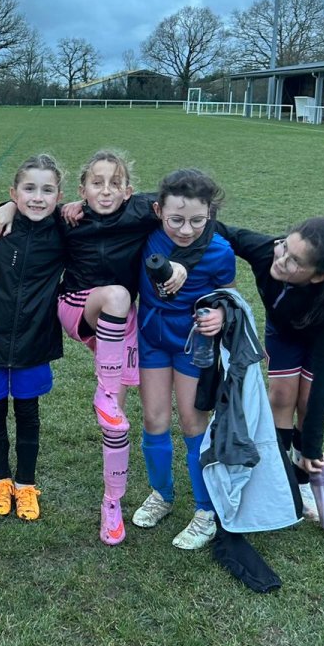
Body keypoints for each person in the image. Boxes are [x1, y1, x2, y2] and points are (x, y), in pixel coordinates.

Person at [0, 149, 156, 546]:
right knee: (116, 296)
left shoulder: (138, 214)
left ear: (128, 190)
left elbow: (184, 211)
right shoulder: (65, 222)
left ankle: (111, 505)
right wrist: (8, 207)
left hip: (122, 325)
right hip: (82, 308)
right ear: (81, 190)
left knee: (119, 426)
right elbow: (33, 205)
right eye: (96, 183)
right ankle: (102, 393)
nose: (106, 190)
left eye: (115, 183)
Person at [215, 217, 324, 520]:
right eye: (285, 246)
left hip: (322, 333)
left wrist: (313, 447)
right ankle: (279, 475)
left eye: (295, 261)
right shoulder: (266, 250)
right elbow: (216, 227)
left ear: (317, 276)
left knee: (307, 400)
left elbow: (323, 390)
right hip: (284, 327)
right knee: (281, 396)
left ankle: (302, 479)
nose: (281, 260)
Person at [130, 169, 235, 551]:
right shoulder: (147, 234)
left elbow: (229, 297)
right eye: (176, 219)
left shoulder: (220, 250)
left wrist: (221, 314)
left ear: (211, 213)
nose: (186, 230)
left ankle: (206, 511)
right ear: (158, 211)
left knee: (193, 424)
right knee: (154, 419)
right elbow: (117, 203)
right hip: (153, 339)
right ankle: (162, 494)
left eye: (196, 220)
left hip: (194, 345)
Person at [0, 154, 66, 521]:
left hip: (35, 340)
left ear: (59, 197)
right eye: (29, 189)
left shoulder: (64, 231)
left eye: (47, 190)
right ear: (13, 192)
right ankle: (1, 480)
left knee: (28, 414)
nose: (37, 197)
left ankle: (26, 484)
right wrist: (6, 210)